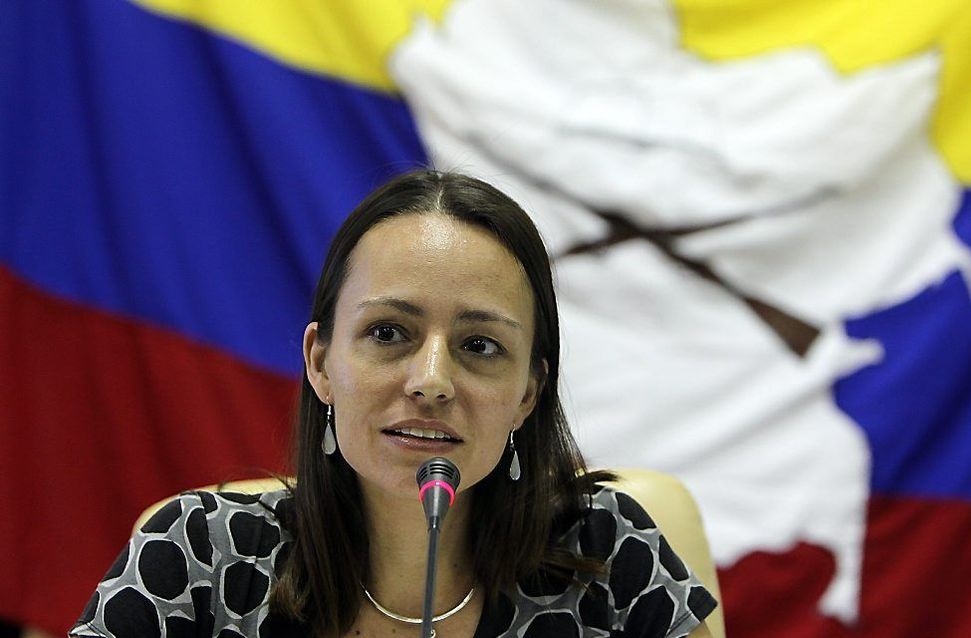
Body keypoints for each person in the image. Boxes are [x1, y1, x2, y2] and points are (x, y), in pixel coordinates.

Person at [70, 170, 718, 637]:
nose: (431, 380)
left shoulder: (610, 554)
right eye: (388, 334)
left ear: (528, 393)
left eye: (480, 345)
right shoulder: (198, 559)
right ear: (320, 363)